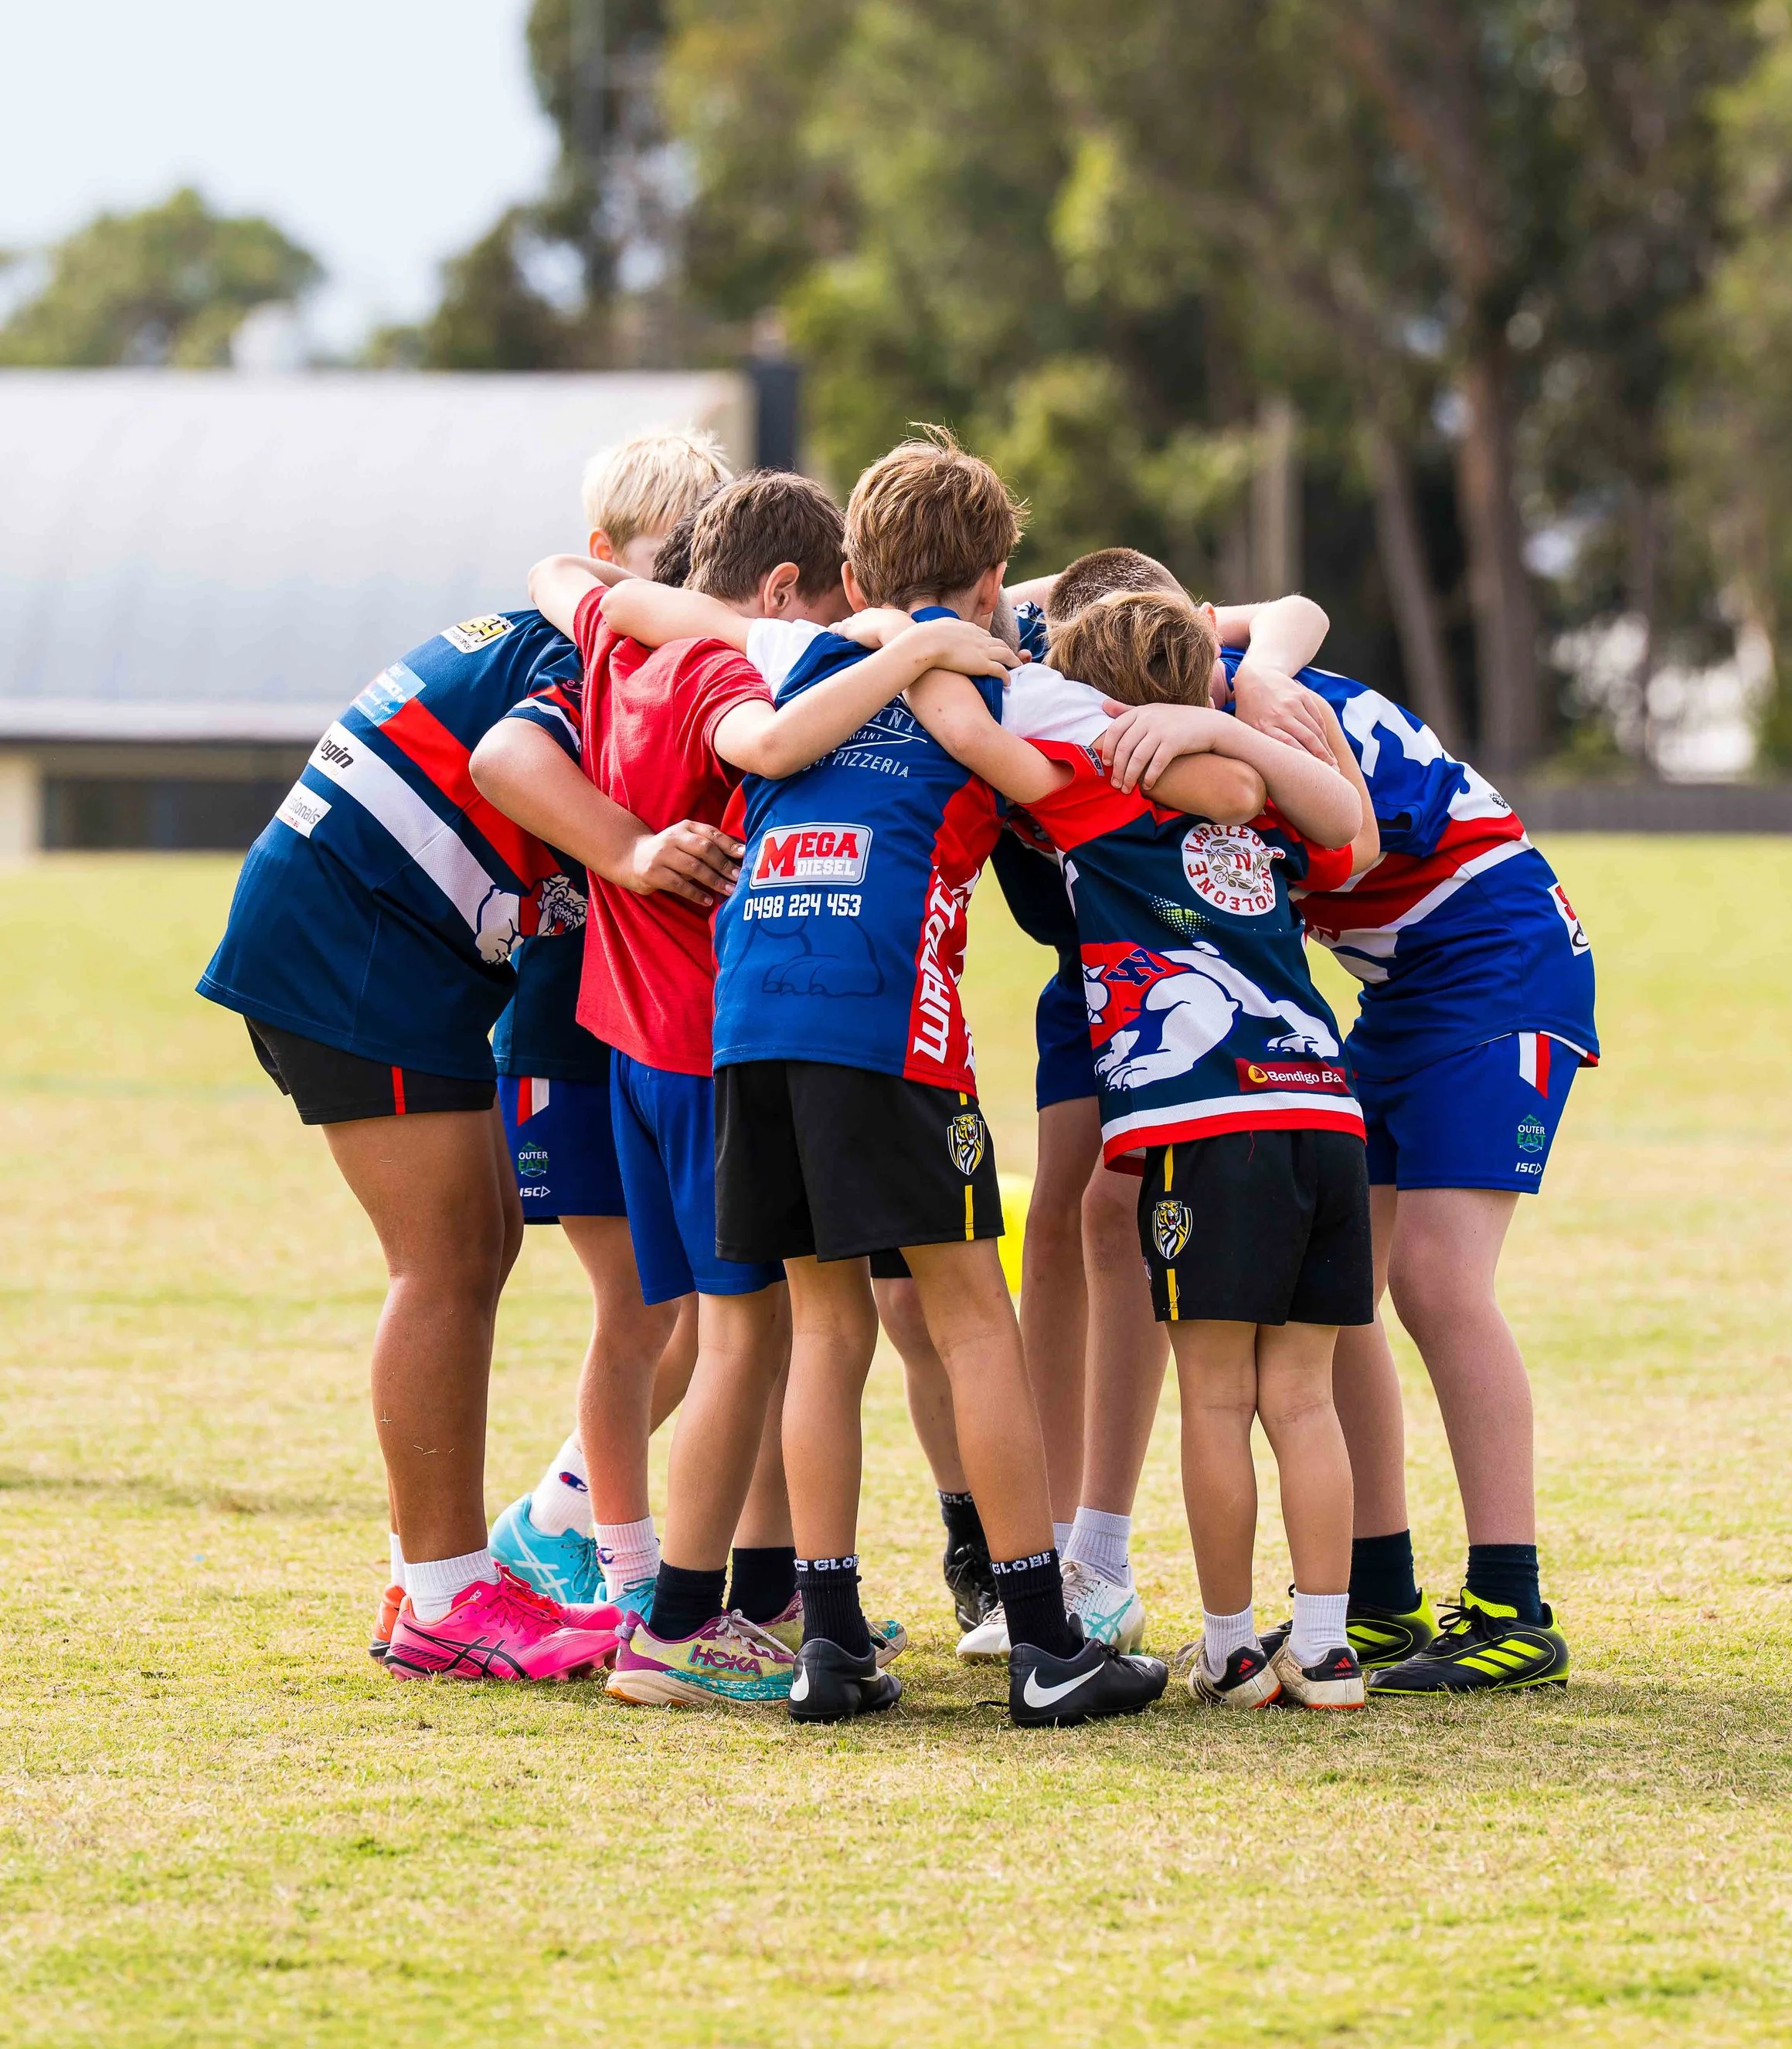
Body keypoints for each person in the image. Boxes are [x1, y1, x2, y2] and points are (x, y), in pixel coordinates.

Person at [594, 435, 1191, 1725]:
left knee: (824, 1325)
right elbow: (1115, 779)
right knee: (975, 1312)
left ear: (852, 567)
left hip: (746, 1018)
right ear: (994, 580)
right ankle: (1046, 1640)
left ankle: (831, 1642)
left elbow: (639, 604)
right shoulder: (1000, 686)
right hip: (885, 1025)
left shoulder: (795, 652)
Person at [503, 465, 1028, 1711]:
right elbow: (775, 737)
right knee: (748, 1335)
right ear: (798, 584)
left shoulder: (632, 652)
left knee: (727, 1326)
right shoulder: (742, 674)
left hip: (629, 1038)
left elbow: (568, 582)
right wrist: (918, 648)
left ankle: (760, 1597)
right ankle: (679, 1618)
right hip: (717, 1034)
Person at [905, 583, 1379, 1708]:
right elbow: (1346, 829)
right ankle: (1325, 1645)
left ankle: (1227, 1648)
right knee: (1303, 1398)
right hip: (1325, 1112)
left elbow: (968, 725)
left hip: (1204, 1127)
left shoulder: (1087, 787)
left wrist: (911, 639)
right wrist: (1231, 718)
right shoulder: (1262, 798)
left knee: (1216, 1397)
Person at [195, 603, 668, 1683]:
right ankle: (449, 1598)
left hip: (385, 938)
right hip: (360, 940)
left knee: (479, 1244)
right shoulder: (593, 652)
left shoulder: (582, 625)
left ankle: (432, 1572)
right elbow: (513, 764)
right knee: (446, 1258)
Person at [1224, 600, 1598, 1694]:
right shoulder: (1219, 663)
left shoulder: (1252, 713)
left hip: (1494, 962)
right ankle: (1377, 1596)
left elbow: (1349, 850)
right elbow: (1285, 608)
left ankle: (1509, 1603)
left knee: (1436, 1280)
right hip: (1404, 986)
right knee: (1332, 1286)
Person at [475, 428, 733, 1616]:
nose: (680, 588)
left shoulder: (703, 663)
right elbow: (510, 756)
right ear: (606, 557)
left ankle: (566, 1518)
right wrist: (628, 851)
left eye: (700, 560)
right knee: (642, 1308)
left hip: (665, 1033)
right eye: (658, 560)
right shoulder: (581, 662)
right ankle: (623, 1567)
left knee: (694, 1309)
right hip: (568, 1035)